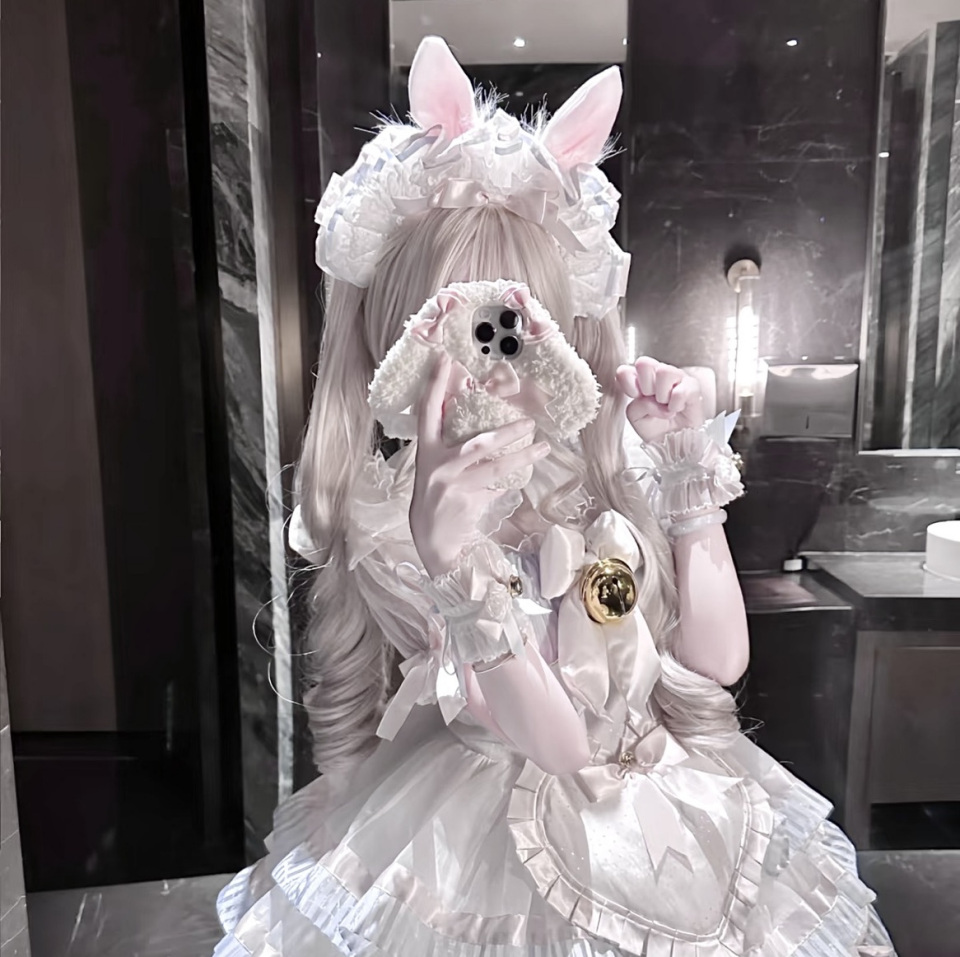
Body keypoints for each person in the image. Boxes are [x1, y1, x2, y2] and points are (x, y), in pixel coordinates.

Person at [213, 36, 895, 957]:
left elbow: (718, 659)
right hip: (475, 829)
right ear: (399, 343)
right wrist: (455, 560)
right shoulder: (393, 516)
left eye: (521, 332)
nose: (496, 366)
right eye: (459, 330)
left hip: (669, 801)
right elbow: (559, 743)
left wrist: (687, 478)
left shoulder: (603, 467)